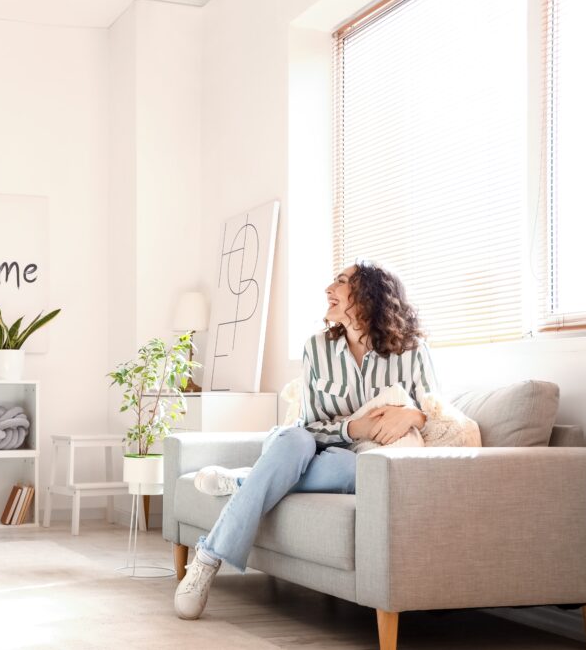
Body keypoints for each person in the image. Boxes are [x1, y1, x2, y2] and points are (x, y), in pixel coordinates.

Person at [174, 260, 438, 619]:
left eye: (341, 282)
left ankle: (245, 482)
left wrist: (413, 414)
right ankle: (208, 559)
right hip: (299, 448)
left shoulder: (412, 350)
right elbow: (310, 424)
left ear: (370, 296)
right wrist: (352, 429)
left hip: (350, 464)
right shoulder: (317, 348)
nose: (329, 289)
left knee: (362, 466)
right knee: (295, 441)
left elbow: (436, 413)